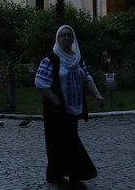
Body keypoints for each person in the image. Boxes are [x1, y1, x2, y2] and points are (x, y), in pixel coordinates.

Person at [34, 24, 104, 190]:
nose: (66, 38)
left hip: (74, 108)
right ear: (57, 39)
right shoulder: (51, 59)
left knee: (60, 142)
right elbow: (40, 82)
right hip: (56, 111)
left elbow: (86, 78)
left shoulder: (77, 58)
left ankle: (54, 174)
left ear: (73, 39)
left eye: (69, 35)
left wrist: (97, 94)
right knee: (68, 143)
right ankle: (75, 177)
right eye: (63, 35)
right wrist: (56, 101)